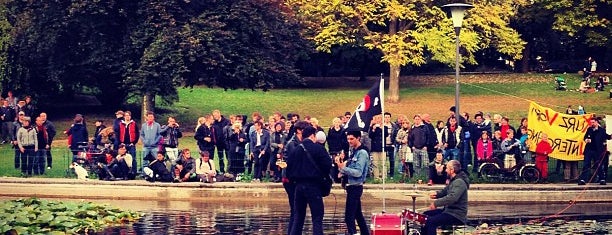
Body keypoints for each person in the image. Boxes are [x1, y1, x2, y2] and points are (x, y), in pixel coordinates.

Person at [286, 126, 332, 235]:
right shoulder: (318, 148)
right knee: (317, 217)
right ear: (312, 135)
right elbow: (328, 165)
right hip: (313, 186)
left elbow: (289, 170)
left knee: (298, 218)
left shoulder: (296, 150)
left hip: (298, 187)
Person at [422, 160, 469, 235]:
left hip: (456, 215)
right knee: (424, 216)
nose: (446, 170)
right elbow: (445, 191)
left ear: (452, 170)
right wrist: (436, 194)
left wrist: (436, 203)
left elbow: (452, 198)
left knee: (431, 222)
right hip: (449, 211)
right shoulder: (454, 180)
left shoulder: (459, 182)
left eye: (447, 168)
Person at [336, 130, 370, 235]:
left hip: (355, 187)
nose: (349, 141)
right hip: (351, 186)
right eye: (348, 139)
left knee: (349, 217)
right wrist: (342, 166)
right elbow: (351, 167)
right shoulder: (354, 151)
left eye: (351, 139)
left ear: (358, 138)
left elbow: (358, 172)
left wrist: (343, 169)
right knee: (358, 215)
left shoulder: (362, 153)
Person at [281, 120, 310, 235]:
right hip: (290, 179)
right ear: (299, 130)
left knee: (297, 209)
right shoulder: (293, 144)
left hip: (293, 178)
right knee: (296, 209)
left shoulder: (296, 142)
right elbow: (294, 162)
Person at [578, 118, 611, 185]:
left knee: (599, 164)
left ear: (596, 122)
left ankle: (602, 179)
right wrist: (586, 140)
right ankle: (583, 179)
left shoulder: (601, 130)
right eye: (591, 123)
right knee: (586, 164)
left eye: (593, 122)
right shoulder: (589, 129)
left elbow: (607, 137)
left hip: (597, 151)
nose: (592, 124)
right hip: (589, 150)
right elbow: (585, 137)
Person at [115, 111, 139, 176]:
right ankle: (123, 172)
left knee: (133, 158)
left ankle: (134, 172)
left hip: (131, 144)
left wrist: (134, 142)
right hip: (123, 144)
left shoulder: (133, 123)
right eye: (126, 115)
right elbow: (118, 134)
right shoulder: (121, 124)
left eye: (128, 115)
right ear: (124, 116)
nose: (127, 117)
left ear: (130, 116)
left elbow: (137, 134)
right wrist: (121, 142)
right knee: (122, 157)